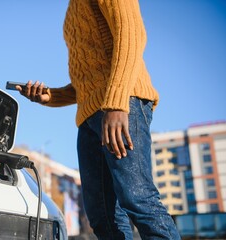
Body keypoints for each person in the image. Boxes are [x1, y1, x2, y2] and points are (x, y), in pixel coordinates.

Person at [16, 0, 181, 239]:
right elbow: (88, 81)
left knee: (137, 198)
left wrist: (116, 103)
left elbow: (131, 35)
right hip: (89, 116)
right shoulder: (72, 9)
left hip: (123, 104)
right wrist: (50, 96)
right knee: (102, 216)